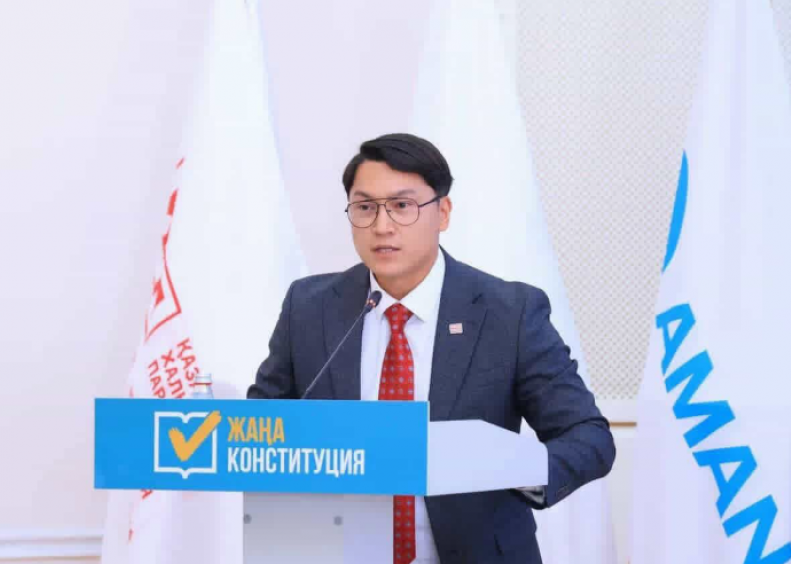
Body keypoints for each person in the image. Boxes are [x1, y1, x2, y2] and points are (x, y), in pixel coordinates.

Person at [247, 133, 615, 564]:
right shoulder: (309, 308)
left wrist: (514, 467)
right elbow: (261, 429)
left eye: (402, 206)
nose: (382, 226)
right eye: (365, 207)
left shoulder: (508, 312)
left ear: (443, 213)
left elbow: (589, 437)